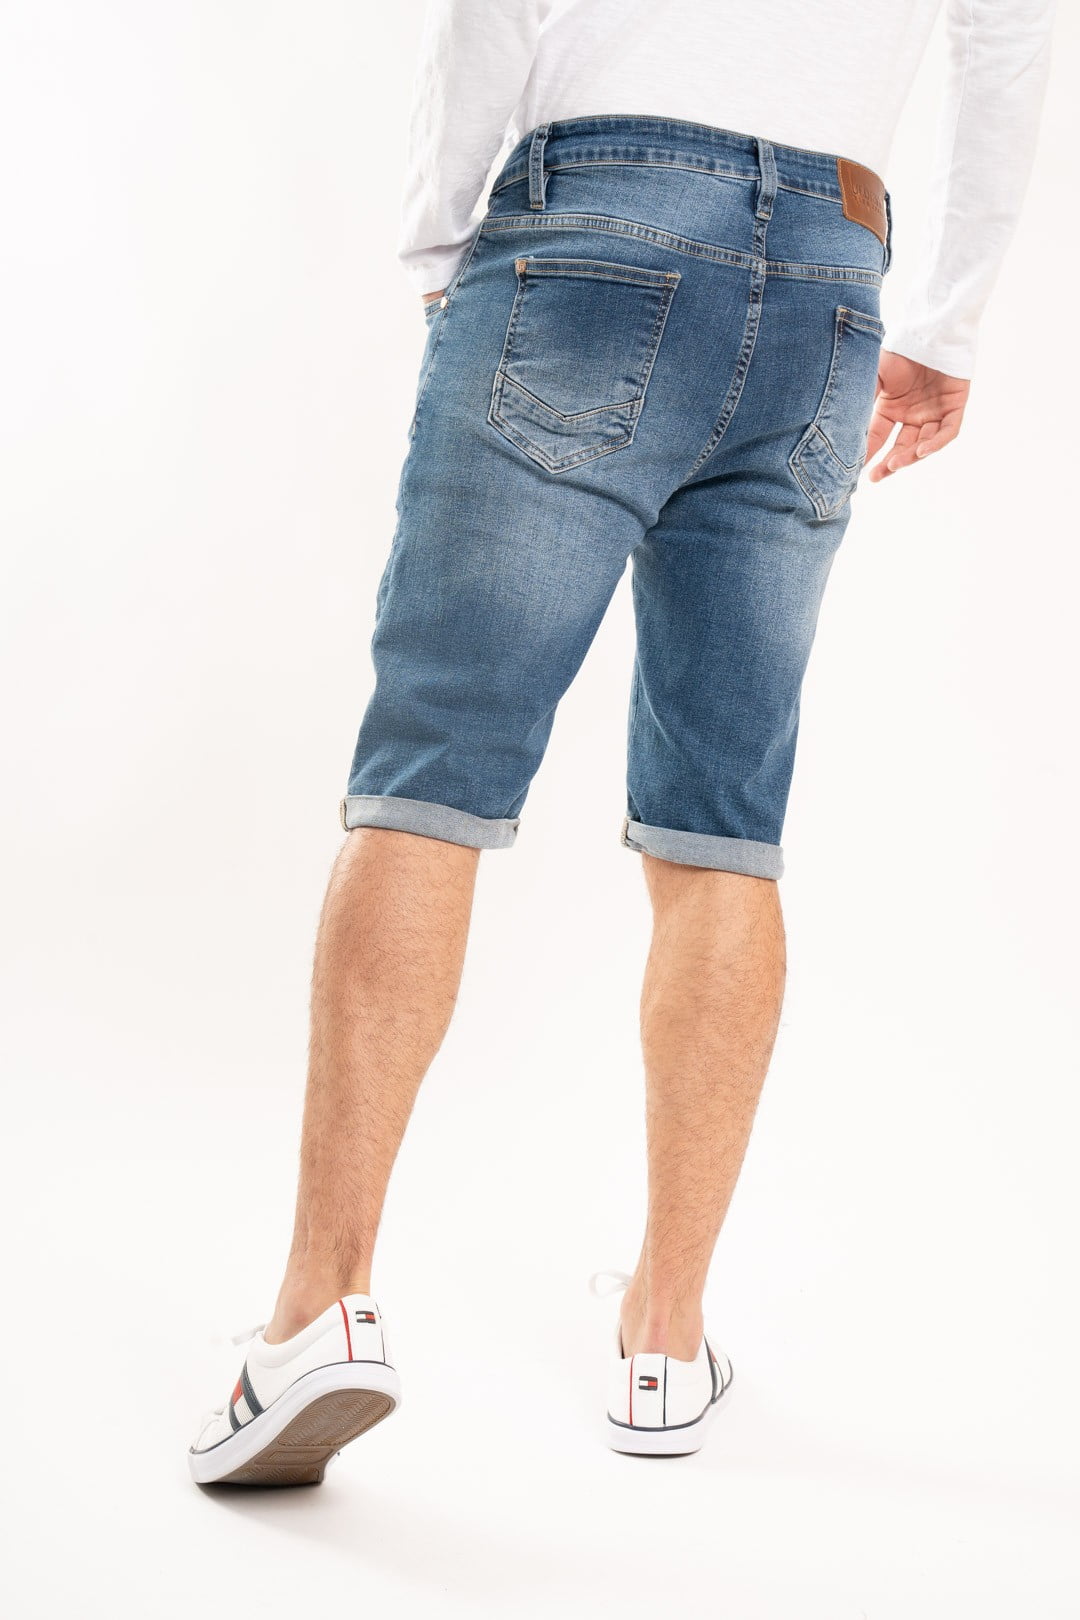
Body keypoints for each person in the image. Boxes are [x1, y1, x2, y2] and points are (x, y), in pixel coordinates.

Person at [188, 0, 1056, 1484]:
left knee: (432, 777)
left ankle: (317, 1317)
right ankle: (665, 1339)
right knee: (725, 814)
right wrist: (949, 324)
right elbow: (1009, 38)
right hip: (832, 271)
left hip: (596, 220)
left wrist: (442, 242)